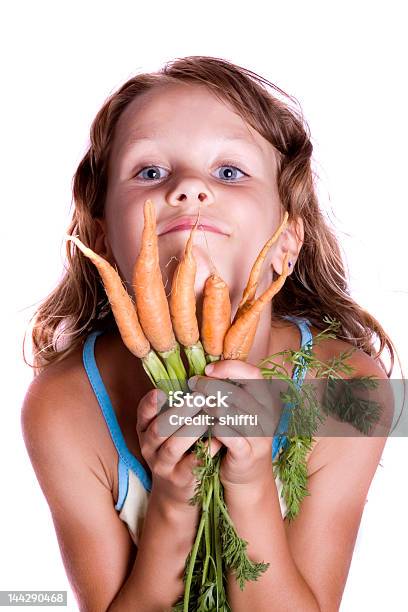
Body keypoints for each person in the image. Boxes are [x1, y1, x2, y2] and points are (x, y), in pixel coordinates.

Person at [21, 56, 396, 611]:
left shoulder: (352, 391)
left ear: (288, 241)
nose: (190, 188)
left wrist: (248, 486)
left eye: (229, 172)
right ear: (102, 235)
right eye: (150, 172)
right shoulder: (65, 403)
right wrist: (174, 499)